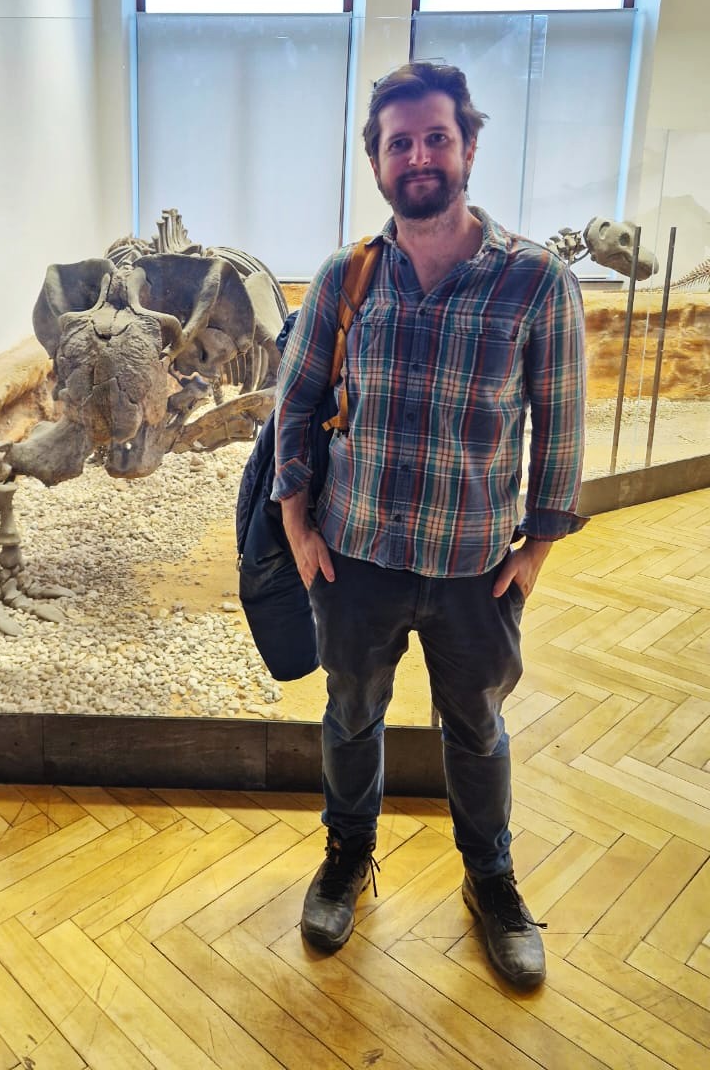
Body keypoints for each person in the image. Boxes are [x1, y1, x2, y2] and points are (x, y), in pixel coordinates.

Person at [272, 61, 587, 990]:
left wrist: (535, 548)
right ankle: (346, 856)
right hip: (356, 556)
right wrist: (298, 523)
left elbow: (561, 423)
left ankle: (490, 879)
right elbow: (297, 404)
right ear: (376, 161)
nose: (419, 156)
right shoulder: (347, 276)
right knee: (351, 714)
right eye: (399, 141)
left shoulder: (534, 281)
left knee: (477, 728)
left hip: (473, 567)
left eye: (436, 137)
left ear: (469, 147)